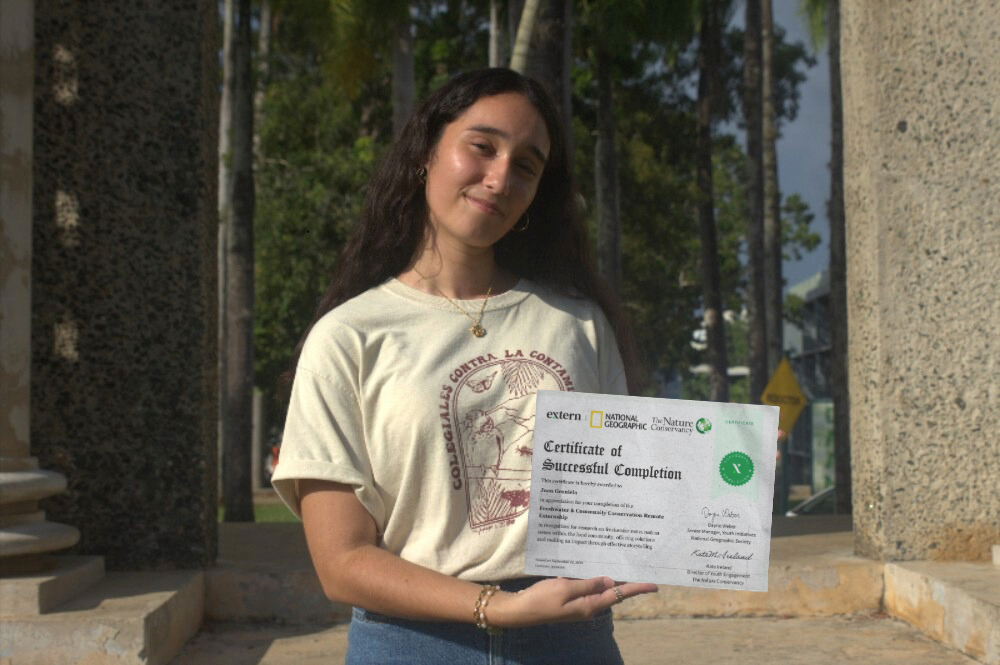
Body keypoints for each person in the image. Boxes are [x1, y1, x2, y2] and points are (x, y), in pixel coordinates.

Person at [271, 67, 656, 664]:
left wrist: (719, 480)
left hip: (568, 641)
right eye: (482, 146)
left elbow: (617, 498)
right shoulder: (349, 337)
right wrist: (494, 606)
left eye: (526, 166)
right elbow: (341, 563)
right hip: (409, 643)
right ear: (427, 151)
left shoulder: (579, 324)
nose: (500, 177)